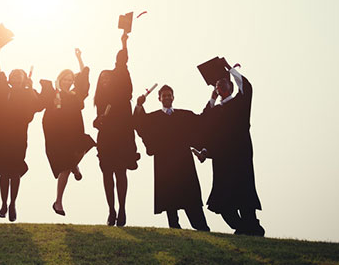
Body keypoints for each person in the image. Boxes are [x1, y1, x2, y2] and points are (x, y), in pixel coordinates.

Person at [197, 64, 265, 236]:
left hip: (240, 159)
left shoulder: (239, 104)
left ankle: (252, 228)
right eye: (218, 85)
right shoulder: (215, 111)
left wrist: (230, 69)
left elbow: (247, 87)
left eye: (224, 83)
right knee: (223, 202)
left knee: (244, 197)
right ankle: (243, 228)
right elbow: (204, 125)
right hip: (222, 162)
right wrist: (212, 99)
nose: (220, 86)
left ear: (231, 86)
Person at [134, 85, 210, 231]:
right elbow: (139, 124)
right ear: (159, 98)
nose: (167, 98)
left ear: (173, 97)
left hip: (183, 162)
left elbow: (201, 120)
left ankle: (202, 227)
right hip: (165, 162)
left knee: (190, 196)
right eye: (164, 96)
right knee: (169, 196)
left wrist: (212, 99)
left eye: (169, 95)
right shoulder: (153, 118)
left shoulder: (183, 115)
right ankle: (174, 227)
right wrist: (138, 105)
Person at [0, 45, 45, 222]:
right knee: (4, 170)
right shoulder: (5, 89)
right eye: (13, 75)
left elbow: (38, 105)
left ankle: (13, 204)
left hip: (18, 134)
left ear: (24, 78)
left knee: (15, 170)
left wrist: (31, 88)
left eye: (19, 75)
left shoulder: (28, 92)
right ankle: (3, 203)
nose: (15, 77)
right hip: (1, 132)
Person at [93, 31, 140, 226]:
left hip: (122, 137)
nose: (105, 79)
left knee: (121, 172)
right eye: (101, 78)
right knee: (107, 173)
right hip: (106, 139)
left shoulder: (121, 92)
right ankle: (111, 210)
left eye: (107, 77)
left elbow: (121, 65)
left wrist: (123, 43)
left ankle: (122, 209)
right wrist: (99, 120)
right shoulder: (101, 102)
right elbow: (96, 122)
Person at [41, 48, 95, 216]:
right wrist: (54, 93)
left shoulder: (75, 95)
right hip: (57, 131)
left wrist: (79, 58)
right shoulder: (53, 92)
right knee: (64, 167)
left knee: (86, 144)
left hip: (74, 129)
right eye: (65, 79)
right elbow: (42, 100)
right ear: (60, 79)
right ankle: (58, 202)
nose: (68, 82)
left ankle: (74, 165)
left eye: (70, 80)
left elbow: (84, 81)